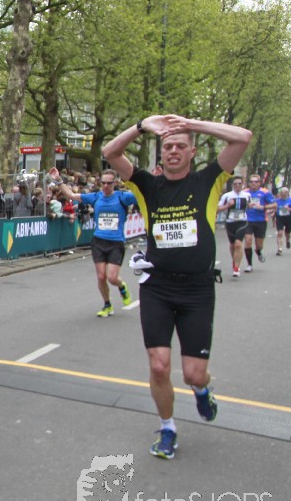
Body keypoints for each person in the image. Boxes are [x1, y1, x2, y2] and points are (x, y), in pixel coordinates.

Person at [102, 114, 251, 460]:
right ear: (161, 153)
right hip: (158, 287)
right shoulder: (146, 184)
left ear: (192, 151)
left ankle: (202, 390)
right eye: (167, 146)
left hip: (197, 290)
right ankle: (167, 427)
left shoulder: (209, 179)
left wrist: (190, 124)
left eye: (180, 146)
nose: (172, 151)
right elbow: (110, 153)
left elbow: (242, 137)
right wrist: (143, 126)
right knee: (158, 366)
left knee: (194, 375)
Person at [65, 170, 136, 316]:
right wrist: (59, 181)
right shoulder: (96, 196)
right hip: (99, 241)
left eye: (109, 183)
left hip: (116, 242)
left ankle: (122, 287)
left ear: (115, 183)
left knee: (112, 278)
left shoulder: (123, 197)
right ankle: (107, 305)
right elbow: (71, 196)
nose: (106, 186)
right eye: (103, 183)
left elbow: (144, 196)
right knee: (101, 277)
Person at [216, 176, 250, 278]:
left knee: (238, 244)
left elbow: (249, 205)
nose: (237, 185)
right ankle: (235, 261)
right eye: (235, 184)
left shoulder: (247, 195)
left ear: (243, 184)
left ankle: (236, 267)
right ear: (232, 185)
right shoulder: (227, 196)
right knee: (232, 245)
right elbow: (217, 209)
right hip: (230, 223)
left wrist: (252, 205)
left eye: (239, 183)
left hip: (242, 222)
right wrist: (227, 206)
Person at [241, 174, 276, 269]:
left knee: (259, 245)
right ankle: (249, 264)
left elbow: (274, 205)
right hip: (247, 220)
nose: (253, 183)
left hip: (261, 221)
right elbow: (239, 204)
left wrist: (263, 207)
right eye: (251, 181)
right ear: (249, 183)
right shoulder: (244, 192)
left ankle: (258, 251)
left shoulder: (265, 192)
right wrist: (247, 205)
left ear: (259, 183)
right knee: (248, 241)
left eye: (256, 181)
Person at [273, 187, 291, 255]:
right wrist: (273, 212)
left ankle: (287, 240)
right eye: (281, 192)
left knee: (287, 234)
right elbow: (274, 208)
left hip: (288, 218)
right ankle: (280, 249)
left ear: (287, 193)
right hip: (280, 218)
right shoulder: (277, 201)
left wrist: (289, 209)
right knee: (280, 233)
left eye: (284, 193)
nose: (282, 194)